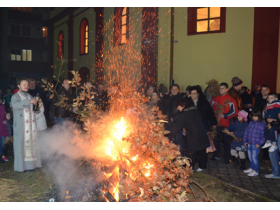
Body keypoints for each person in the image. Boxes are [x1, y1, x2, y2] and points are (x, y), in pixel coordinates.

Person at [167, 99, 210, 171]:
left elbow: (177, 127)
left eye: (179, 107)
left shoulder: (184, 115)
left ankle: (190, 169)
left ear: (183, 106)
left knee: (191, 153)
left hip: (193, 136)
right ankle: (203, 166)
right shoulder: (195, 110)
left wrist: (169, 135)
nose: (178, 108)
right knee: (202, 150)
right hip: (202, 133)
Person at [11, 78, 42, 172]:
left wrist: (38, 106)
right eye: (24, 85)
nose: (26, 86)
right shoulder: (15, 97)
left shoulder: (30, 96)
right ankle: (21, 167)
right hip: (21, 126)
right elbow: (16, 106)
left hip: (31, 127)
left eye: (27, 85)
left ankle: (31, 166)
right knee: (21, 146)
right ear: (19, 86)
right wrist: (29, 102)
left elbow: (35, 111)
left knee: (31, 146)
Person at [210, 82, 238, 163]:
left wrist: (225, 116)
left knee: (227, 142)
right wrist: (213, 122)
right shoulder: (215, 99)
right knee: (216, 140)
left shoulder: (231, 100)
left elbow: (235, 112)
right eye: (220, 88)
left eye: (222, 88)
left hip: (227, 124)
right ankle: (216, 156)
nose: (220, 90)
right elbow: (210, 110)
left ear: (227, 89)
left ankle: (227, 158)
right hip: (217, 124)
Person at [243, 109, 266, 176]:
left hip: (256, 144)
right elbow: (246, 132)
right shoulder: (251, 123)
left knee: (254, 157)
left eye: (256, 116)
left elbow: (263, 136)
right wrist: (245, 140)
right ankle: (252, 167)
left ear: (259, 116)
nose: (254, 118)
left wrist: (259, 143)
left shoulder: (262, 125)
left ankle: (255, 170)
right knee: (250, 157)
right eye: (253, 116)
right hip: (249, 143)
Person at [0, 97, 9, 163]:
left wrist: (5, 120)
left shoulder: (2, 107)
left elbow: (3, 117)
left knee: (2, 143)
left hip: (1, 128)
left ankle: (2, 156)